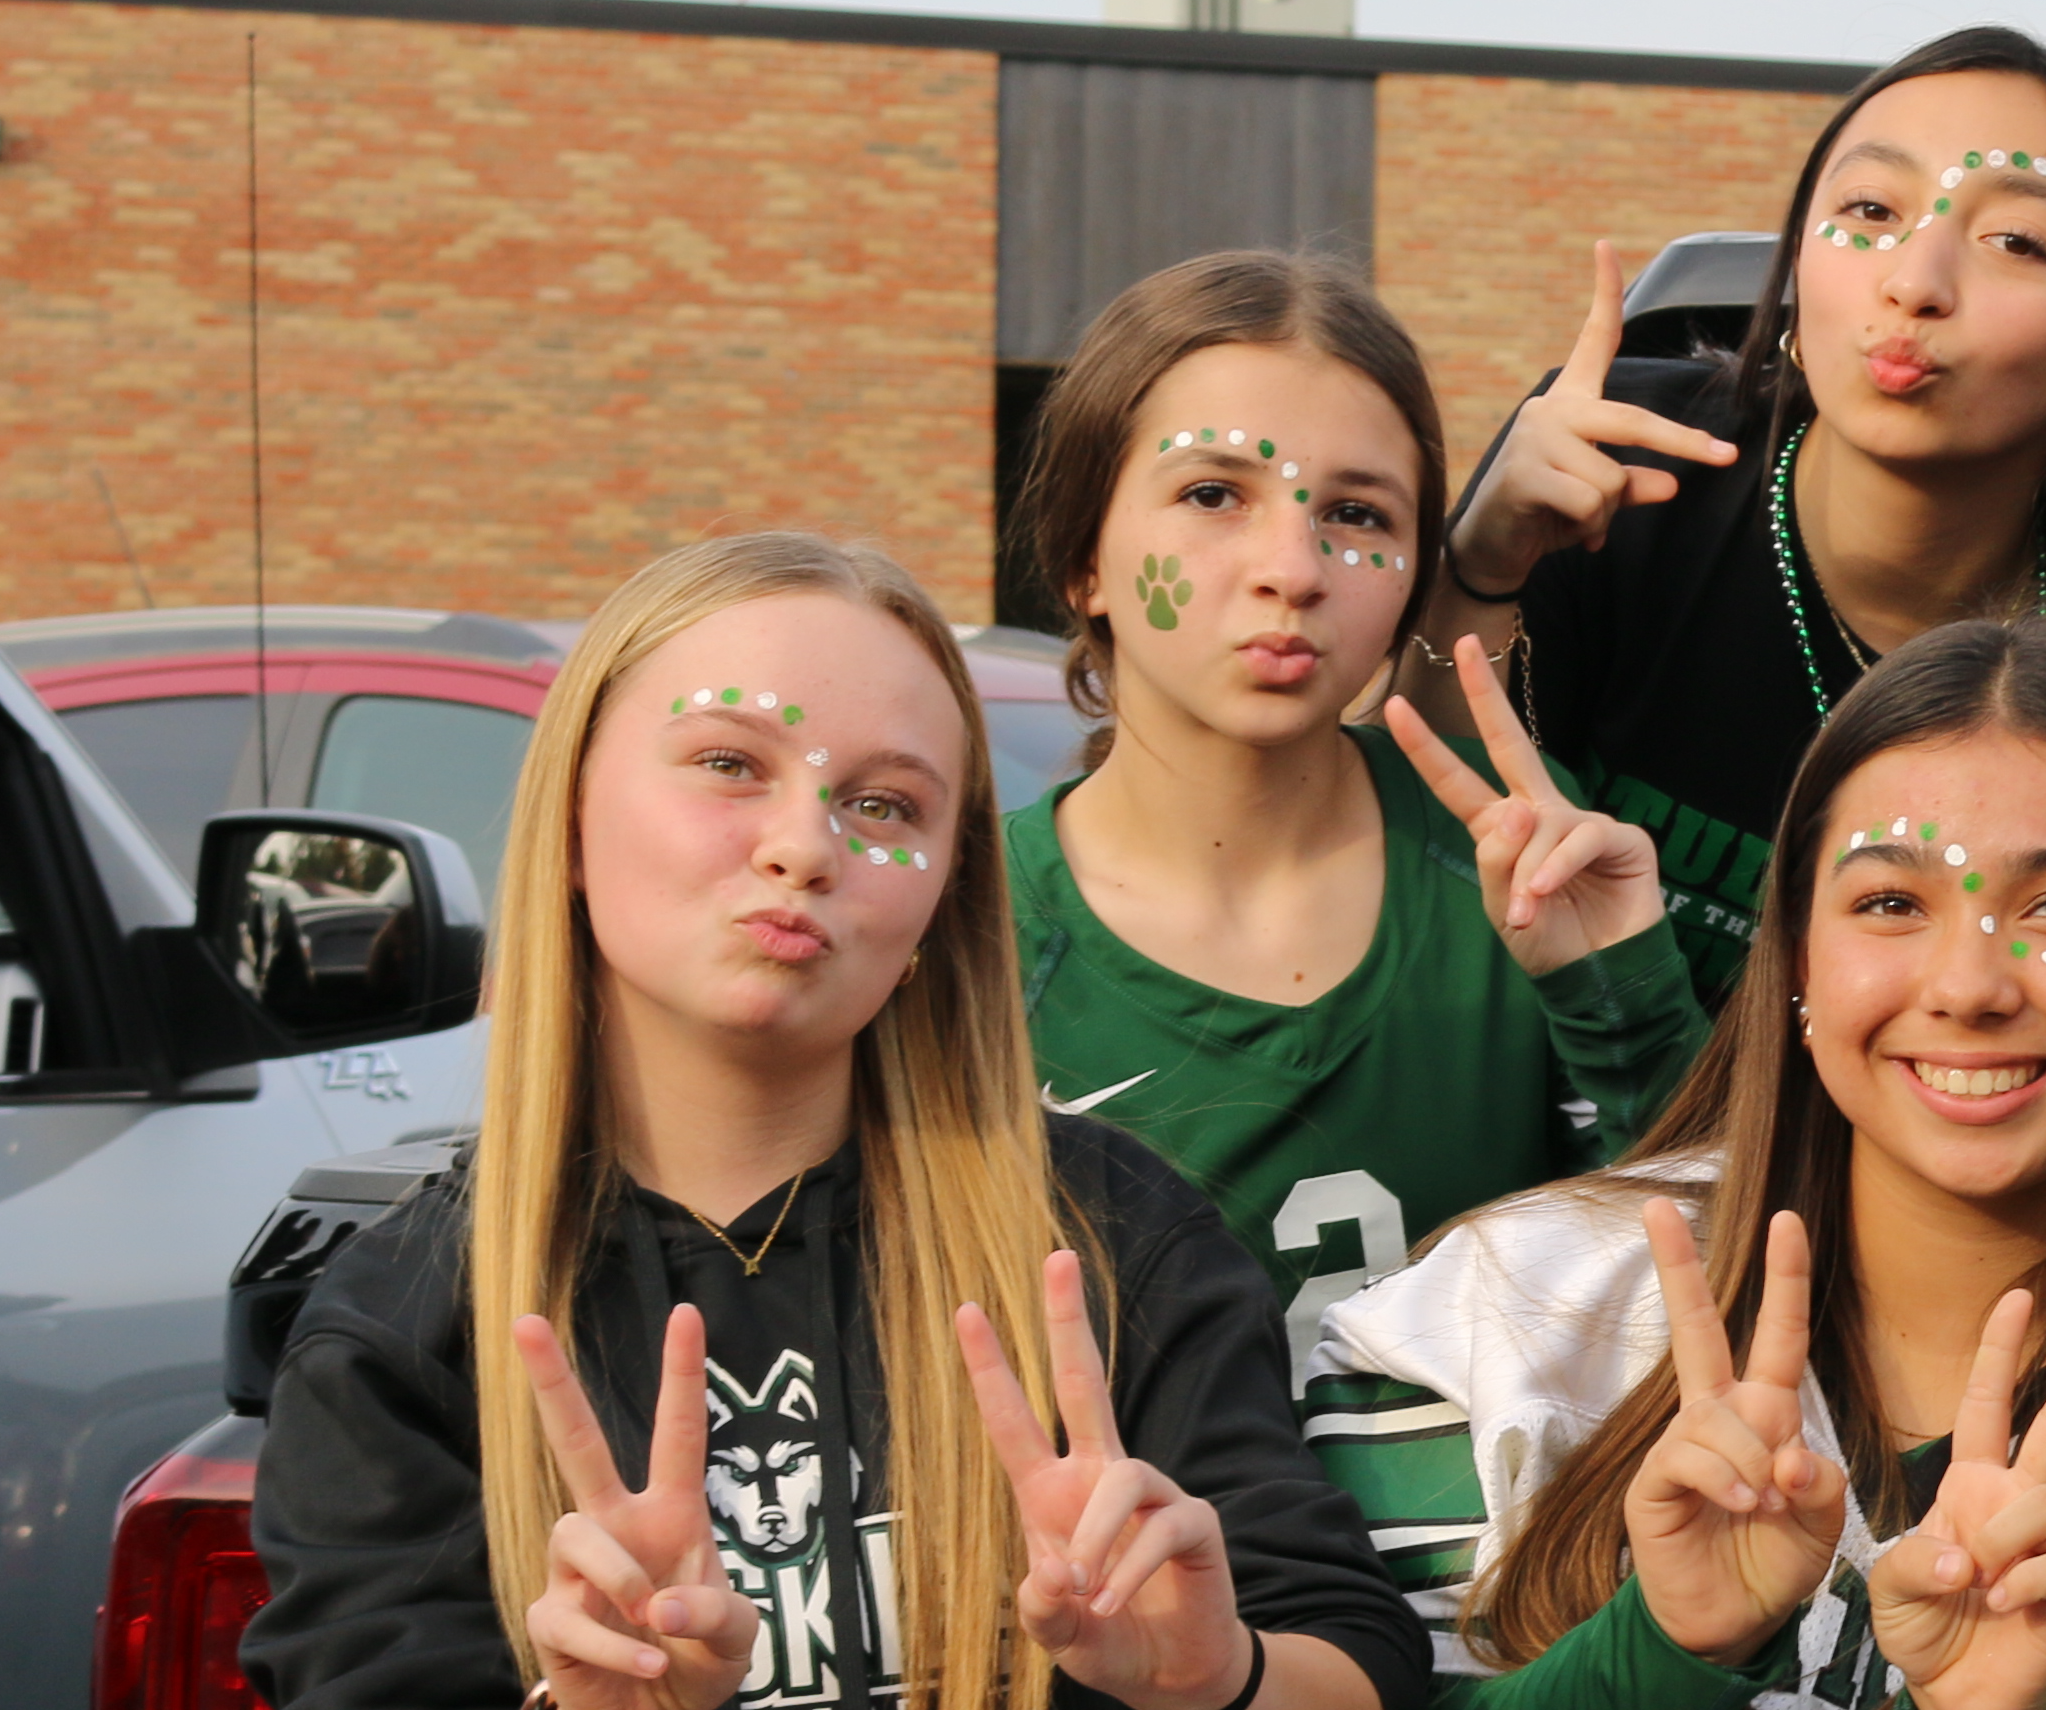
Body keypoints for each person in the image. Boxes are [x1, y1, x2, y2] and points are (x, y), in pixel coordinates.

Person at [242, 535, 1426, 1710]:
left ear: (936, 909)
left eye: (881, 801)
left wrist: (1218, 1678)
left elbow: (1358, 1662)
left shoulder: (1113, 1247)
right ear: (570, 825)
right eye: (727, 761)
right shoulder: (400, 1328)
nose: (804, 847)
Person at [1296, 620, 2046, 1708]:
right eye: (1891, 903)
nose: (1971, 986)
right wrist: (1661, 1647)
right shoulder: (1505, 1325)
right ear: (1792, 953)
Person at [998, 249, 1705, 1318]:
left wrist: (1625, 997)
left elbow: (1705, 1265)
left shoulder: (1519, 857)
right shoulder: (961, 929)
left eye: (1360, 514)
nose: (1295, 565)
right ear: (1081, 557)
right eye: (1211, 494)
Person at [1412, 28, 2046, 1008]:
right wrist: (1478, 564)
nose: (1913, 283)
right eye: (1870, 209)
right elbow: (1424, 864)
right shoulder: (1619, 467)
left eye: (2016, 241)